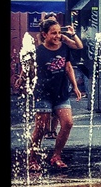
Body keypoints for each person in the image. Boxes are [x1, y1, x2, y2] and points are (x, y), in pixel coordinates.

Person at [28, 18, 83, 170]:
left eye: (59, 33)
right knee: (41, 127)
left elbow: (69, 67)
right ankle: (32, 159)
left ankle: (56, 156)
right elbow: (30, 70)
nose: (57, 36)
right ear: (44, 34)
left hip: (61, 92)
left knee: (68, 123)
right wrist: (24, 82)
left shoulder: (64, 48)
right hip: (43, 93)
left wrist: (75, 87)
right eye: (53, 33)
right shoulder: (38, 51)